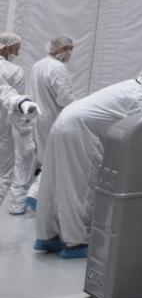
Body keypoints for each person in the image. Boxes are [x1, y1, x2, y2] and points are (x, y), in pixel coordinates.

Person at [33, 65, 142, 259]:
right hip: (78, 131)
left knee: (53, 183)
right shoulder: (140, 96)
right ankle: (76, 242)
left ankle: (47, 236)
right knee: (81, 188)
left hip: (63, 122)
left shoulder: (129, 86)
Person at [26, 36, 78, 210]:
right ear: (55, 48)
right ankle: (36, 194)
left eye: (71, 48)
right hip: (54, 120)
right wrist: (79, 106)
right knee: (54, 159)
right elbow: (65, 98)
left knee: (45, 157)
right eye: (66, 48)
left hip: (38, 118)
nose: (69, 52)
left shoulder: (37, 65)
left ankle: (40, 196)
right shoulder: (58, 67)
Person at [0, 32, 37, 215]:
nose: (18, 52)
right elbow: (17, 106)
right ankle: (16, 206)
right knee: (4, 173)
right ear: (6, 48)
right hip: (5, 128)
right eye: (16, 48)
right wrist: (26, 134)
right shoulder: (15, 71)